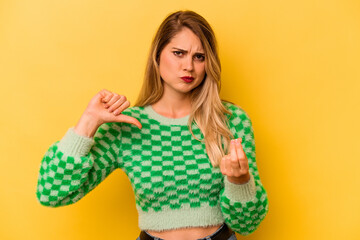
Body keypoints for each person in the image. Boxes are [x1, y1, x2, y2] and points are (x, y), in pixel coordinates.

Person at [36, 10, 269, 240]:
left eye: (199, 57)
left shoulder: (231, 121)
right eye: (179, 53)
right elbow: (51, 193)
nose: (189, 66)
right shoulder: (127, 126)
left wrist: (240, 181)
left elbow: (248, 224)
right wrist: (87, 122)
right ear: (157, 56)